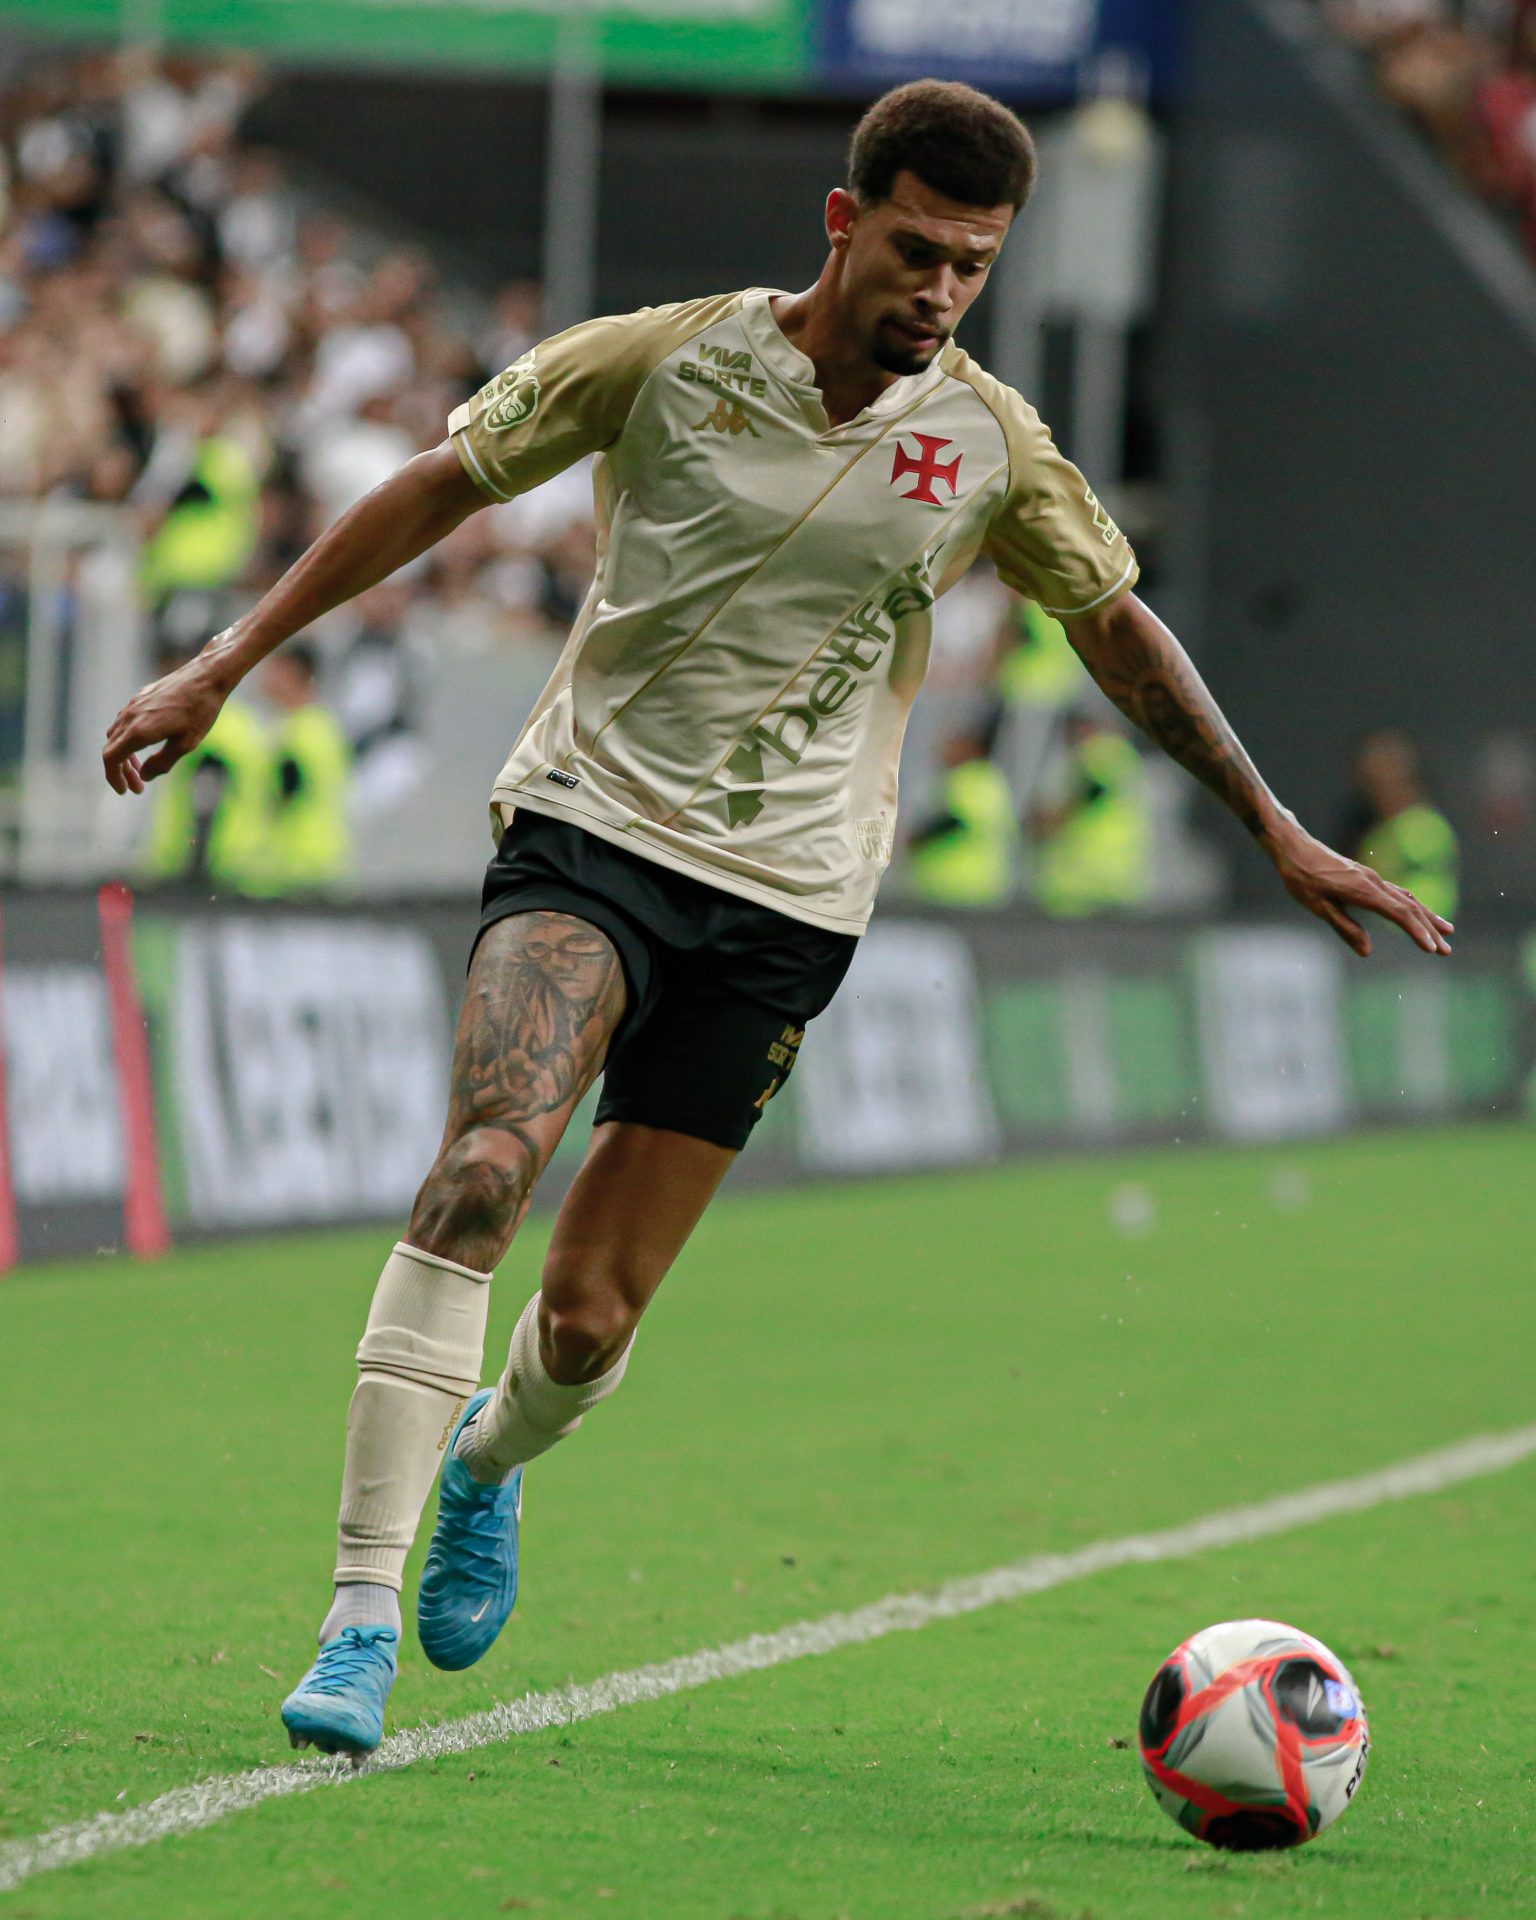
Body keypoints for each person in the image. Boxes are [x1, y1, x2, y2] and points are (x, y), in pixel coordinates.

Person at [101, 79, 1453, 1764]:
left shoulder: (989, 451)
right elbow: (436, 487)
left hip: (786, 907)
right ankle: (356, 1617)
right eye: (916, 251)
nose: (940, 292)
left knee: (588, 1326)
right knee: (479, 1170)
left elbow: (1118, 632)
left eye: (973, 266)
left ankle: (483, 1468)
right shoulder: (657, 356)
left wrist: (1272, 825)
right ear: (842, 220)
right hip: (587, 834)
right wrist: (223, 660)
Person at [140, 642, 270, 893]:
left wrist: (193, 874)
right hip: (241, 868)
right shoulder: (237, 721)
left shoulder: (207, 731)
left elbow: (206, 805)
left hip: (212, 875)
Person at [1030, 712, 1151, 917]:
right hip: (1113, 869)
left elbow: (1092, 789)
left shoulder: (1103, 750)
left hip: (1093, 870)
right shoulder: (1116, 756)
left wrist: (1055, 817)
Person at [259, 640, 353, 893]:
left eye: (275, 668)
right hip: (317, 861)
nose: (265, 676)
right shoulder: (321, 725)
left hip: (298, 866)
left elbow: (283, 797)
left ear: (295, 673)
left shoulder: (299, 734)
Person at [1340, 730, 1460, 921]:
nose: (1381, 788)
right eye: (1372, 781)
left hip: (1416, 935)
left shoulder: (1425, 827)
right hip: (1380, 934)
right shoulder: (1366, 831)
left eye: (1388, 774)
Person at [908, 717, 1020, 907]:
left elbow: (953, 821)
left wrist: (915, 838)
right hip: (980, 884)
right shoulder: (990, 779)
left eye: (954, 745)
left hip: (958, 885)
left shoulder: (970, 777)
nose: (945, 751)